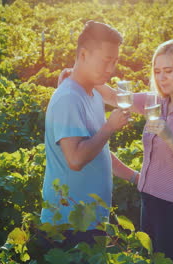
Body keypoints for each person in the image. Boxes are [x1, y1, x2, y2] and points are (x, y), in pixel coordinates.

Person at [59, 39, 173, 263]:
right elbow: (115, 97)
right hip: (151, 203)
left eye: (168, 71)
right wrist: (79, 74)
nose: (161, 77)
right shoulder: (156, 102)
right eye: (157, 71)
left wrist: (170, 138)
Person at [40, 20, 140, 248]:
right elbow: (75, 159)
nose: (111, 69)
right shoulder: (69, 98)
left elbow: (97, 149)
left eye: (115, 62)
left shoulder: (92, 93)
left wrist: (134, 177)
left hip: (89, 224)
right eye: (106, 61)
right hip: (67, 228)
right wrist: (109, 127)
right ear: (83, 55)